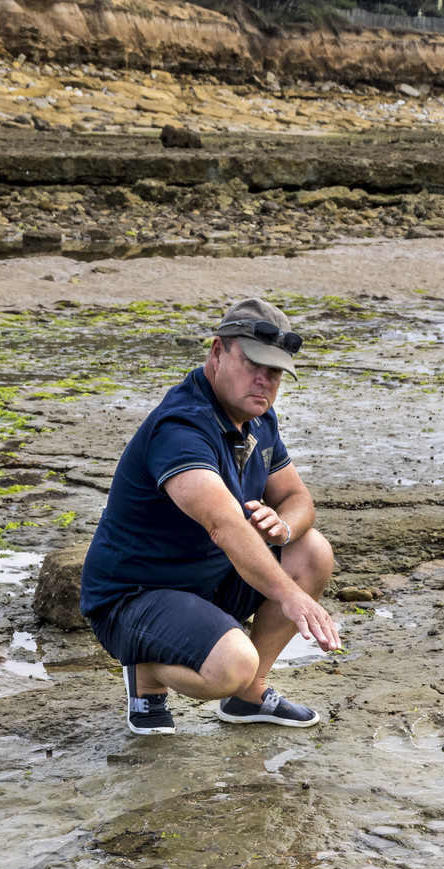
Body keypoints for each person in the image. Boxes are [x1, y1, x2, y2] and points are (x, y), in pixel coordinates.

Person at [80, 298, 339, 737]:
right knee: (233, 663)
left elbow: (297, 497)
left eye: (275, 372)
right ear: (217, 352)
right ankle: (147, 675)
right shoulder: (181, 427)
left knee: (311, 550)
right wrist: (290, 596)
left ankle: (249, 696)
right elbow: (224, 524)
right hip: (135, 597)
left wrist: (286, 525)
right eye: (253, 363)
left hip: (207, 584)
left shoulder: (258, 418)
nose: (265, 380)